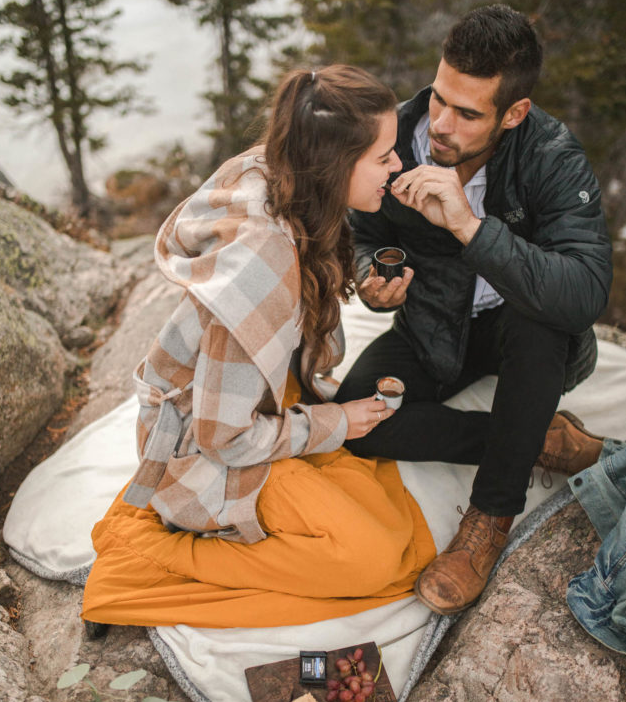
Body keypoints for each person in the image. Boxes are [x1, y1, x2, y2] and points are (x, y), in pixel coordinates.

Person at [82, 65, 436, 630]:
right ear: (335, 164)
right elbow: (223, 438)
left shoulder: (287, 174)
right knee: (371, 561)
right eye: (384, 156)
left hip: (258, 402)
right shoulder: (262, 268)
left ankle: (167, 530)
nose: (398, 166)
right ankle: (147, 552)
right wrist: (334, 422)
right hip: (213, 444)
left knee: (387, 524)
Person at [335, 4, 613, 616]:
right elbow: (360, 234)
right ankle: (538, 440)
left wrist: (468, 224)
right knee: (355, 423)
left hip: (524, 333)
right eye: (439, 98)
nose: (441, 125)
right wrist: (369, 279)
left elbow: (587, 290)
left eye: (467, 114)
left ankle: (489, 520)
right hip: (433, 326)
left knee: (543, 315)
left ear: (514, 113)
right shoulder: (395, 139)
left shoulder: (550, 154)